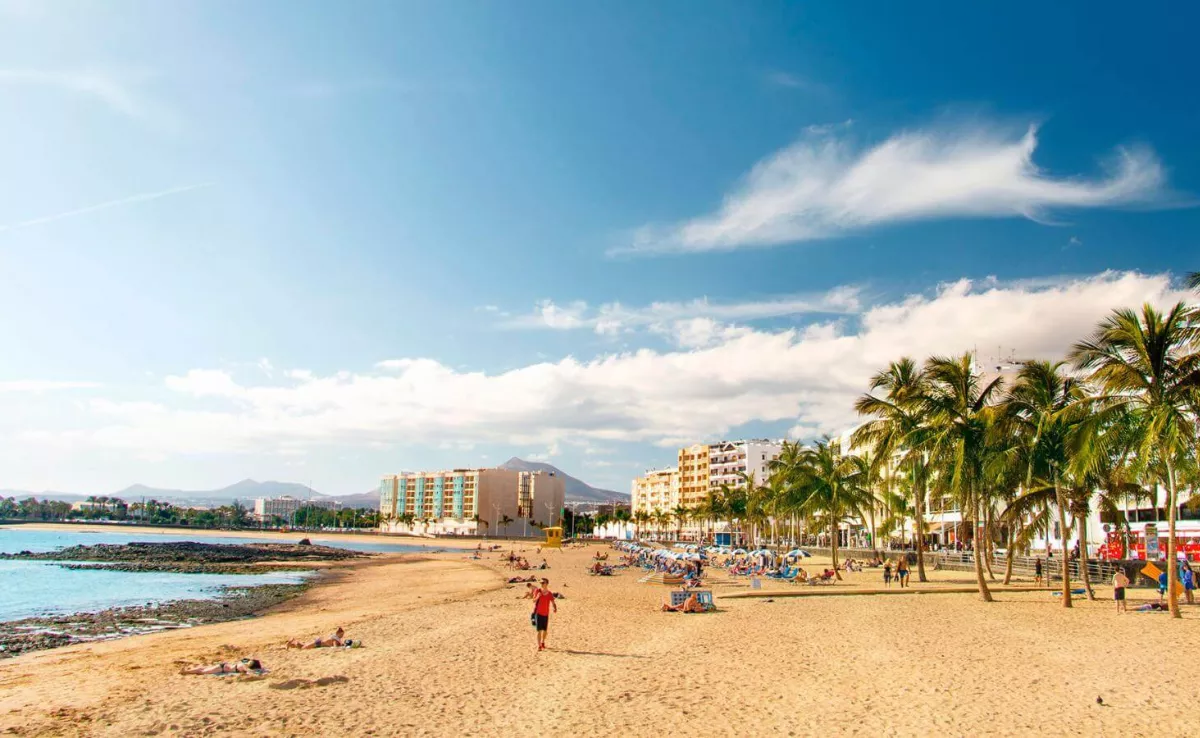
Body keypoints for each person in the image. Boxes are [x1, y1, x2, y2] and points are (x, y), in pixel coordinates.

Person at [533, 577, 557, 652]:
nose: (541, 584)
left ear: (547, 584)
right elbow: (533, 600)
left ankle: (543, 642)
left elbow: (553, 602)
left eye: (543, 583)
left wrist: (554, 608)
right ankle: (539, 645)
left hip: (546, 614)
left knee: (545, 631)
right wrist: (537, 597)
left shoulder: (549, 593)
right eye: (541, 583)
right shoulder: (537, 591)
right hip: (538, 613)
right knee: (539, 630)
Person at [180, 658, 263, 675]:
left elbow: (244, 659)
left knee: (203, 669)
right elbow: (250, 672)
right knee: (202, 671)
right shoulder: (244, 667)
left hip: (224, 666)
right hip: (222, 668)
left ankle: (187, 671)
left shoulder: (244, 662)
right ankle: (186, 672)